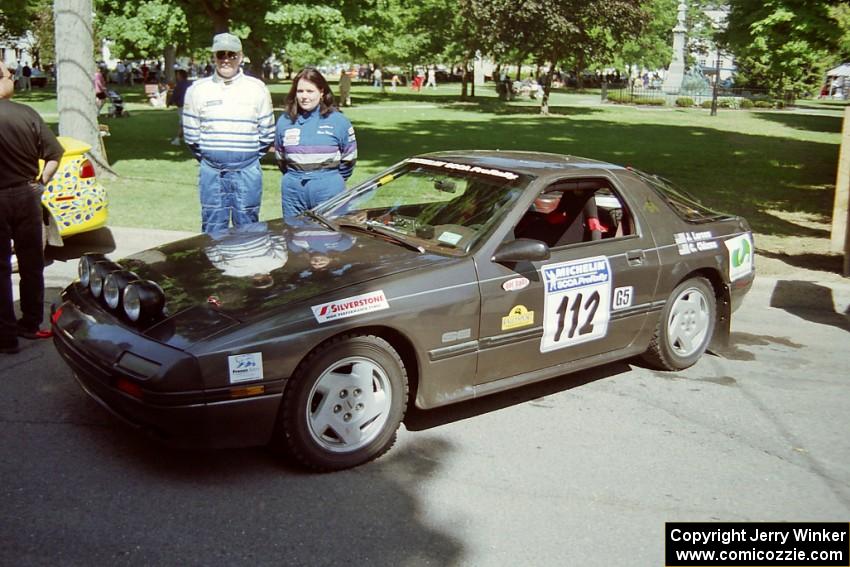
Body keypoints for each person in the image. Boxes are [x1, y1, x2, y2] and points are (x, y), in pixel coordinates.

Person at [182, 33, 275, 233]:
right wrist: (213, 156)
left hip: (247, 170)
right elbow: (191, 135)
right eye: (220, 54)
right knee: (213, 226)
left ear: (240, 56)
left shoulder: (257, 88)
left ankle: (247, 264)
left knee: (248, 225)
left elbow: (267, 133)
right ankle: (214, 265)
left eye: (231, 55)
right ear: (213, 57)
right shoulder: (197, 90)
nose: (226, 59)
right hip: (212, 172)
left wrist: (245, 156)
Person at [0, 61, 63, 354]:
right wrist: (42, 182)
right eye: (9, 74)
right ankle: (30, 322)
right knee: (31, 263)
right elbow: (54, 154)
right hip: (27, 194)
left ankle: (6, 336)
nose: (13, 76)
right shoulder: (27, 113)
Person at [275, 67, 357, 218]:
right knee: (295, 236)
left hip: (328, 187)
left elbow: (349, 159)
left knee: (330, 237)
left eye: (310, 91)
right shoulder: (284, 121)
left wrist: (328, 179)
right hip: (293, 189)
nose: (304, 96)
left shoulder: (338, 121)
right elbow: (281, 158)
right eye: (300, 91)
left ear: (321, 92)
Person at [169, 68, 192, 145]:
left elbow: (175, 95)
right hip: (191, 105)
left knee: (183, 123)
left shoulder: (180, 85)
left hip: (183, 106)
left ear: (180, 76)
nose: (176, 76)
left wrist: (170, 102)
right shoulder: (190, 83)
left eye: (177, 75)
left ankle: (178, 139)